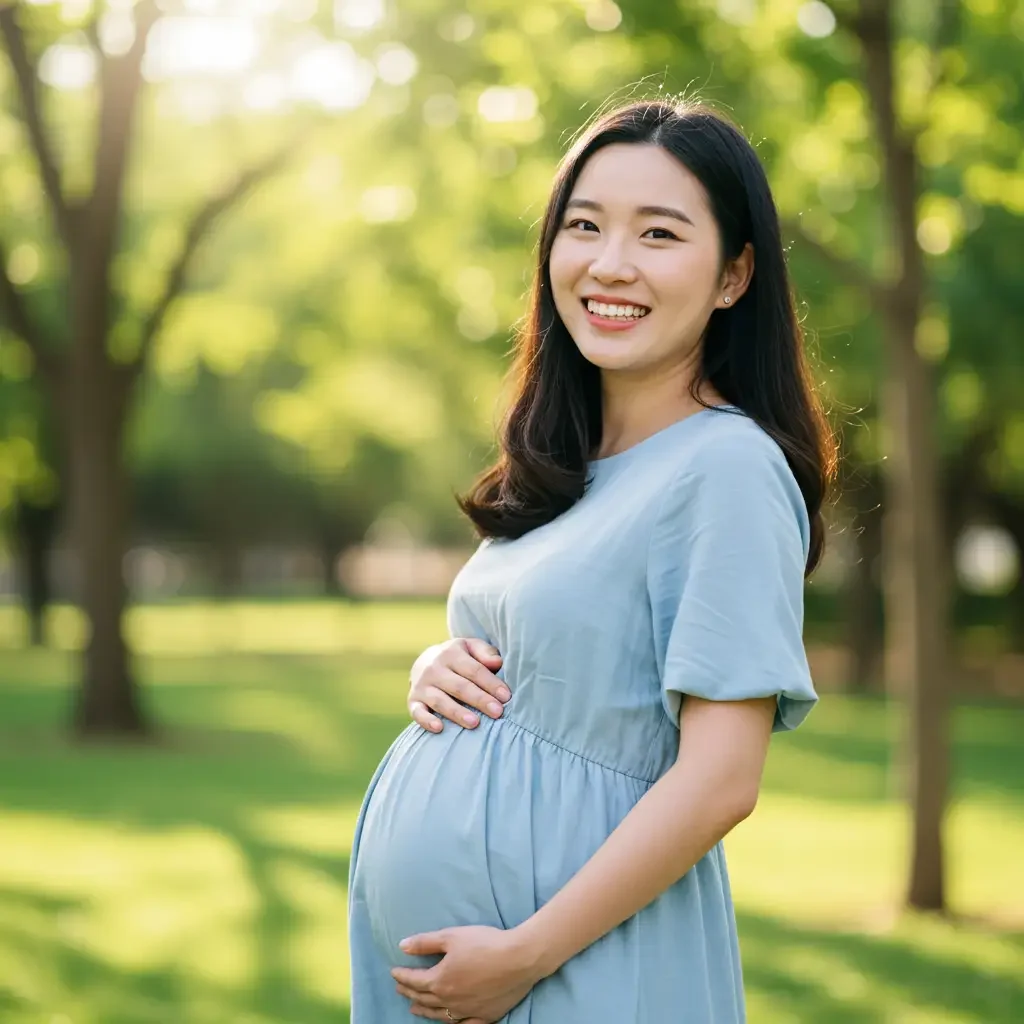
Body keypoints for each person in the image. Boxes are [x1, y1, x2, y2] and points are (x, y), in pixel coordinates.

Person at [347, 98, 837, 1024]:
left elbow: (722, 778)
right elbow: (563, 659)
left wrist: (525, 955)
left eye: (659, 233)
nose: (610, 264)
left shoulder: (725, 467)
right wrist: (436, 670)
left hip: (576, 970)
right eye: (585, 225)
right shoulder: (567, 467)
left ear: (734, 276)